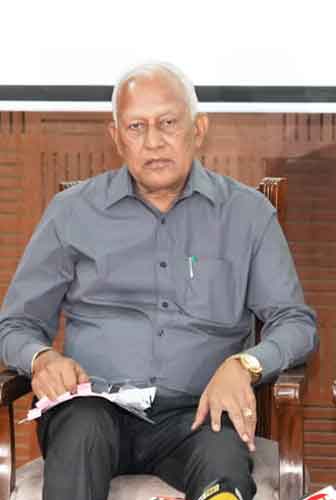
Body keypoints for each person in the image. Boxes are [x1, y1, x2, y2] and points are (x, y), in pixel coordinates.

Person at [0, 62, 318, 500]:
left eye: (168, 123)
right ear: (116, 137)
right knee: (82, 428)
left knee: (223, 463)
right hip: (94, 409)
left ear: (198, 129)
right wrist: (41, 359)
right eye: (136, 127)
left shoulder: (246, 214)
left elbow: (295, 323)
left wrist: (245, 365)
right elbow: (15, 325)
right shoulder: (72, 212)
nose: (153, 142)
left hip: (199, 414)